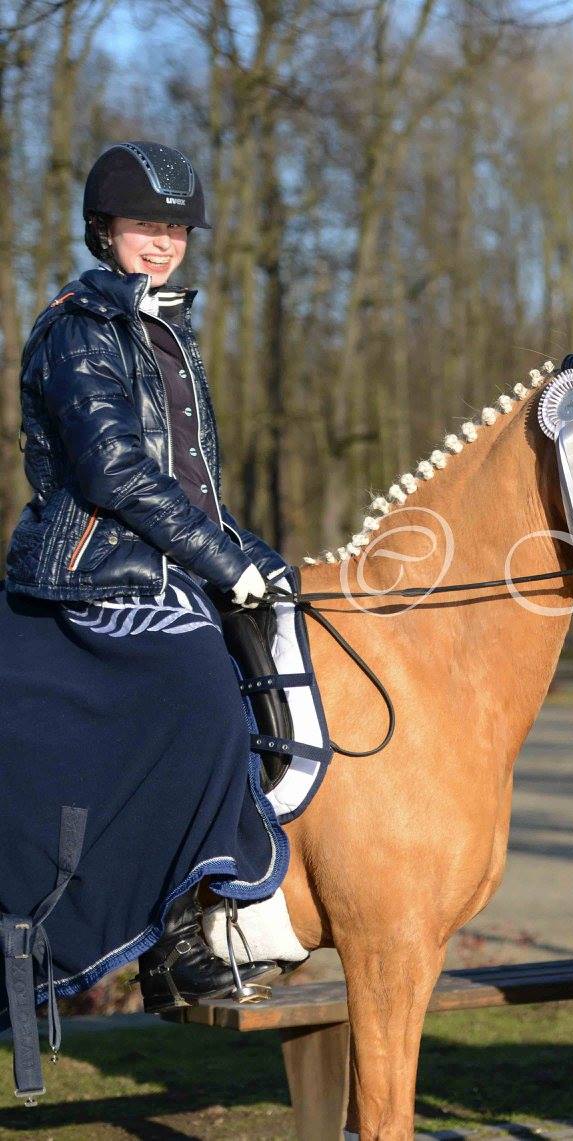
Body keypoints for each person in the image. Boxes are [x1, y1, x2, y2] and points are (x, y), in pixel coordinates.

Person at [1, 142, 289, 1038]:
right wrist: (222, 561)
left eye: (173, 228)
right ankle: (173, 930)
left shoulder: (164, 328)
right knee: (201, 692)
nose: (161, 243)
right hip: (92, 569)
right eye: (143, 226)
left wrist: (254, 555)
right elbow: (116, 472)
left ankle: (226, 910)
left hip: (164, 558)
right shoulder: (76, 327)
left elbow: (192, 482)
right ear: (105, 231)